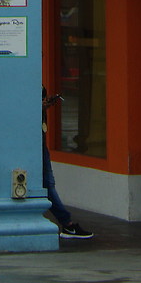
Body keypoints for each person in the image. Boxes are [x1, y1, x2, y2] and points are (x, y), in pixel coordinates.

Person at [38, 90, 90, 239]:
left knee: (47, 184)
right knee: (47, 184)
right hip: (36, 146)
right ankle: (67, 223)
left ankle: (67, 223)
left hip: (41, 146)